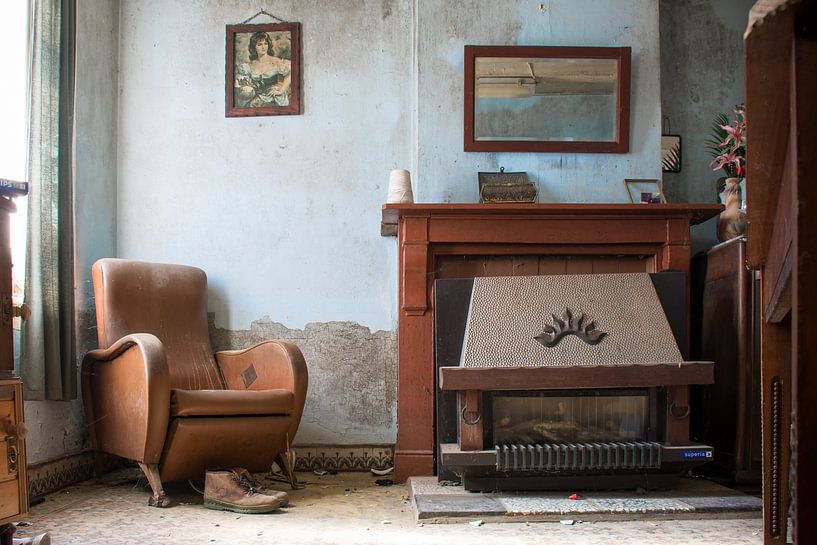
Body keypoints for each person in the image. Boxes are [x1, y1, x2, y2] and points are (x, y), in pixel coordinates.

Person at [234, 31, 291, 108]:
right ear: (254, 47)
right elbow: (241, 81)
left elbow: (290, 73)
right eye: (259, 44)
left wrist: (282, 90)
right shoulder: (249, 65)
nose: (263, 47)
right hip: (257, 97)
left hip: (275, 97)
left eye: (265, 44)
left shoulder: (276, 62)